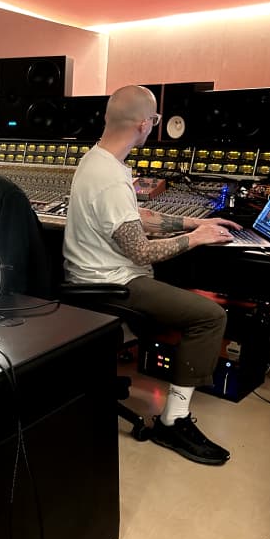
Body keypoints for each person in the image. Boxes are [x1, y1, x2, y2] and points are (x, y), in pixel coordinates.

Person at [63, 85, 242, 466]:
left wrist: (194, 222)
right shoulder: (109, 178)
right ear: (145, 124)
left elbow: (136, 218)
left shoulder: (97, 159)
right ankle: (172, 421)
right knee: (210, 316)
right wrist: (197, 239)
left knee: (187, 294)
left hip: (97, 275)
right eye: (155, 119)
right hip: (109, 284)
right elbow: (141, 251)